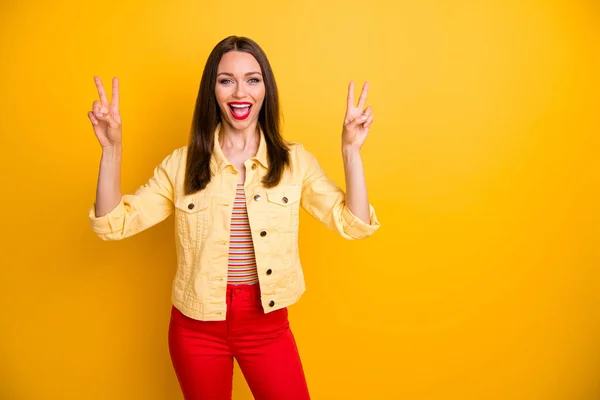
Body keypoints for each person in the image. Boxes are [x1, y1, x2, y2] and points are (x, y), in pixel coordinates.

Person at [87, 36, 380, 400]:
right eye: (226, 80)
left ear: (265, 89)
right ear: (213, 90)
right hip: (195, 330)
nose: (240, 91)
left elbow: (353, 223)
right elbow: (114, 223)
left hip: (267, 326)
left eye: (252, 79)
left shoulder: (294, 162)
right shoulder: (182, 164)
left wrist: (351, 150)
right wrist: (111, 149)